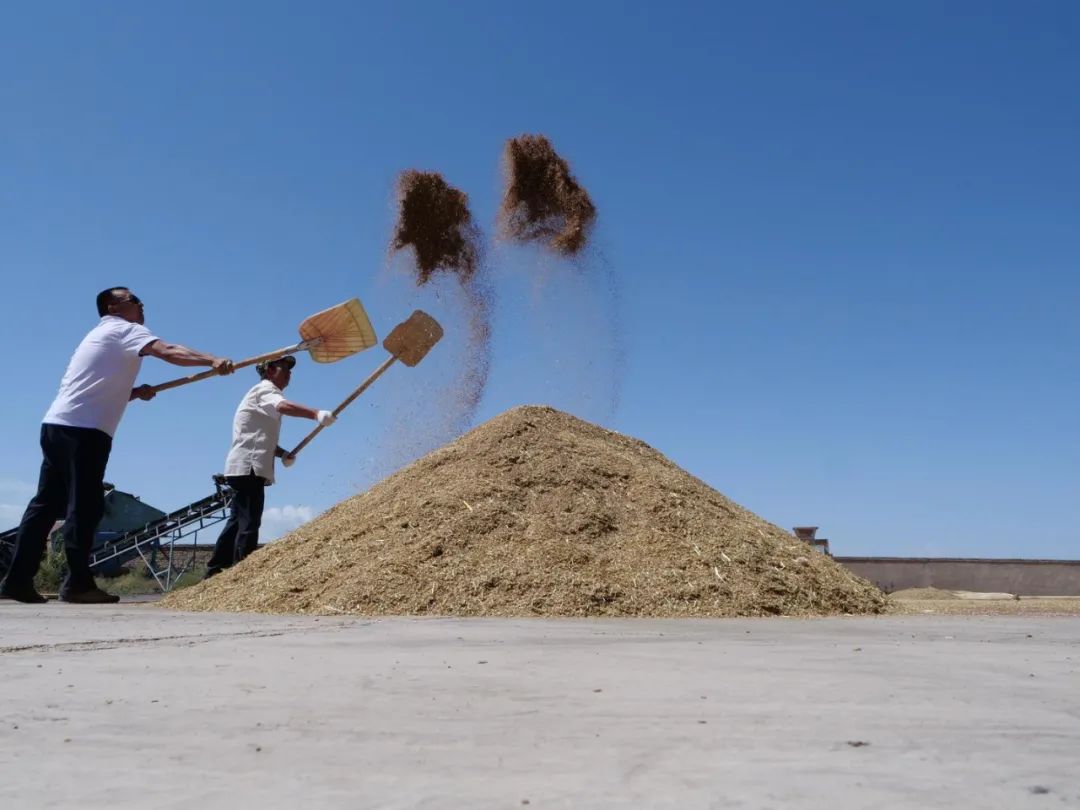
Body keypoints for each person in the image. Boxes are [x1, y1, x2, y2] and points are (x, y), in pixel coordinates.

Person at [0, 287, 235, 604]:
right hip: (84, 432)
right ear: (114, 307)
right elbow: (167, 350)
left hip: (58, 425)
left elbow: (93, 386)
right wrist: (212, 360)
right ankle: (78, 584)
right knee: (84, 507)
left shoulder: (99, 335)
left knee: (44, 506)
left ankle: (16, 580)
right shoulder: (125, 329)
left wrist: (133, 392)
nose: (141, 306)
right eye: (135, 300)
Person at [205, 356, 335, 578]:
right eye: (285, 368)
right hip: (249, 467)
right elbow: (283, 406)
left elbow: (259, 436)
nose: (289, 374)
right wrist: (315, 414)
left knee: (237, 521)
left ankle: (214, 571)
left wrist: (282, 453)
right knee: (249, 522)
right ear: (270, 370)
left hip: (243, 466)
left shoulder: (260, 394)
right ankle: (240, 575)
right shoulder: (265, 390)